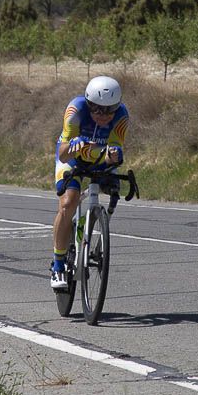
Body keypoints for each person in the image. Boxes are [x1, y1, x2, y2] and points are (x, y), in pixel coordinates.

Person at [50, 75, 128, 291]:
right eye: (96, 109)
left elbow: (114, 150)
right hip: (73, 157)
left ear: (117, 107)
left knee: (114, 190)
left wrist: (113, 155)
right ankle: (57, 265)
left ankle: (95, 230)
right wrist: (76, 145)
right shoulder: (75, 110)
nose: (102, 115)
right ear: (88, 103)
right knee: (68, 203)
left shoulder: (121, 116)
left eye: (109, 109)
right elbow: (64, 155)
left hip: (99, 158)